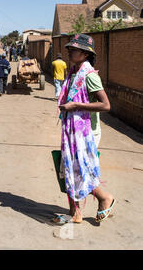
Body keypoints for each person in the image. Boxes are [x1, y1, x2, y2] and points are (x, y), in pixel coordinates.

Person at [53, 34, 115, 225]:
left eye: (74, 49)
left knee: (81, 171)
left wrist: (76, 106)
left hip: (87, 132)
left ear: (86, 53)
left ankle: (105, 197)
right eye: (69, 48)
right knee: (69, 168)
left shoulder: (90, 76)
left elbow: (106, 105)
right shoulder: (72, 72)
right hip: (72, 130)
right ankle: (75, 212)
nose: (70, 51)